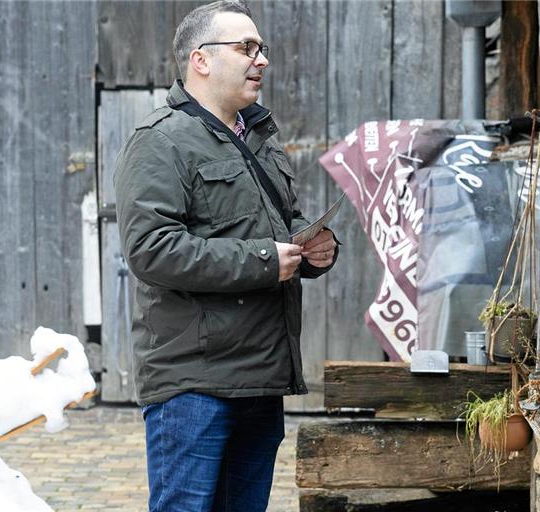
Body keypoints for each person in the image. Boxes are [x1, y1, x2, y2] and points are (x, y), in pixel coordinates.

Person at [113, 2, 338, 511]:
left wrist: (313, 249)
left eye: (261, 50)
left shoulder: (258, 138)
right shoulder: (160, 141)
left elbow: (283, 223)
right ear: (201, 59)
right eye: (246, 48)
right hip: (194, 383)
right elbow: (152, 250)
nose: (260, 61)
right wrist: (263, 259)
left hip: (261, 377)